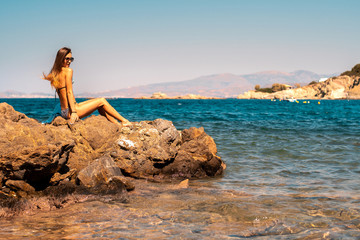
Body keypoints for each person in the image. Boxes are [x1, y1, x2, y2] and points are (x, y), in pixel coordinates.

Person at [43, 47, 131, 126]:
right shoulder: (68, 71)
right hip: (71, 110)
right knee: (102, 100)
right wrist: (73, 112)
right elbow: (69, 92)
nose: (69, 61)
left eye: (71, 59)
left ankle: (116, 125)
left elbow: (62, 94)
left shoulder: (54, 74)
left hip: (64, 111)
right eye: (67, 59)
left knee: (99, 105)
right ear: (61, 58)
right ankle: (124, 121)